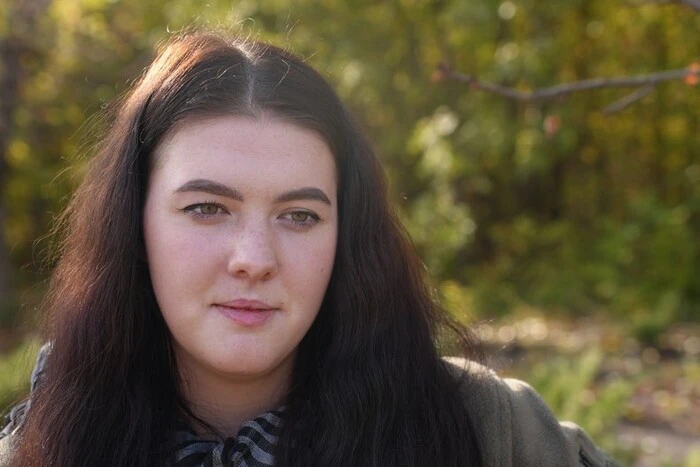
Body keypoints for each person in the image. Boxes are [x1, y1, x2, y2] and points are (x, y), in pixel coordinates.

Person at [0, 31, 619, 467]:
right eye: (207, 208)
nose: (254, 258)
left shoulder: (493, 434)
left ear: (344, 235)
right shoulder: (44, 445)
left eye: (299, 215)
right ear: (134, 226)